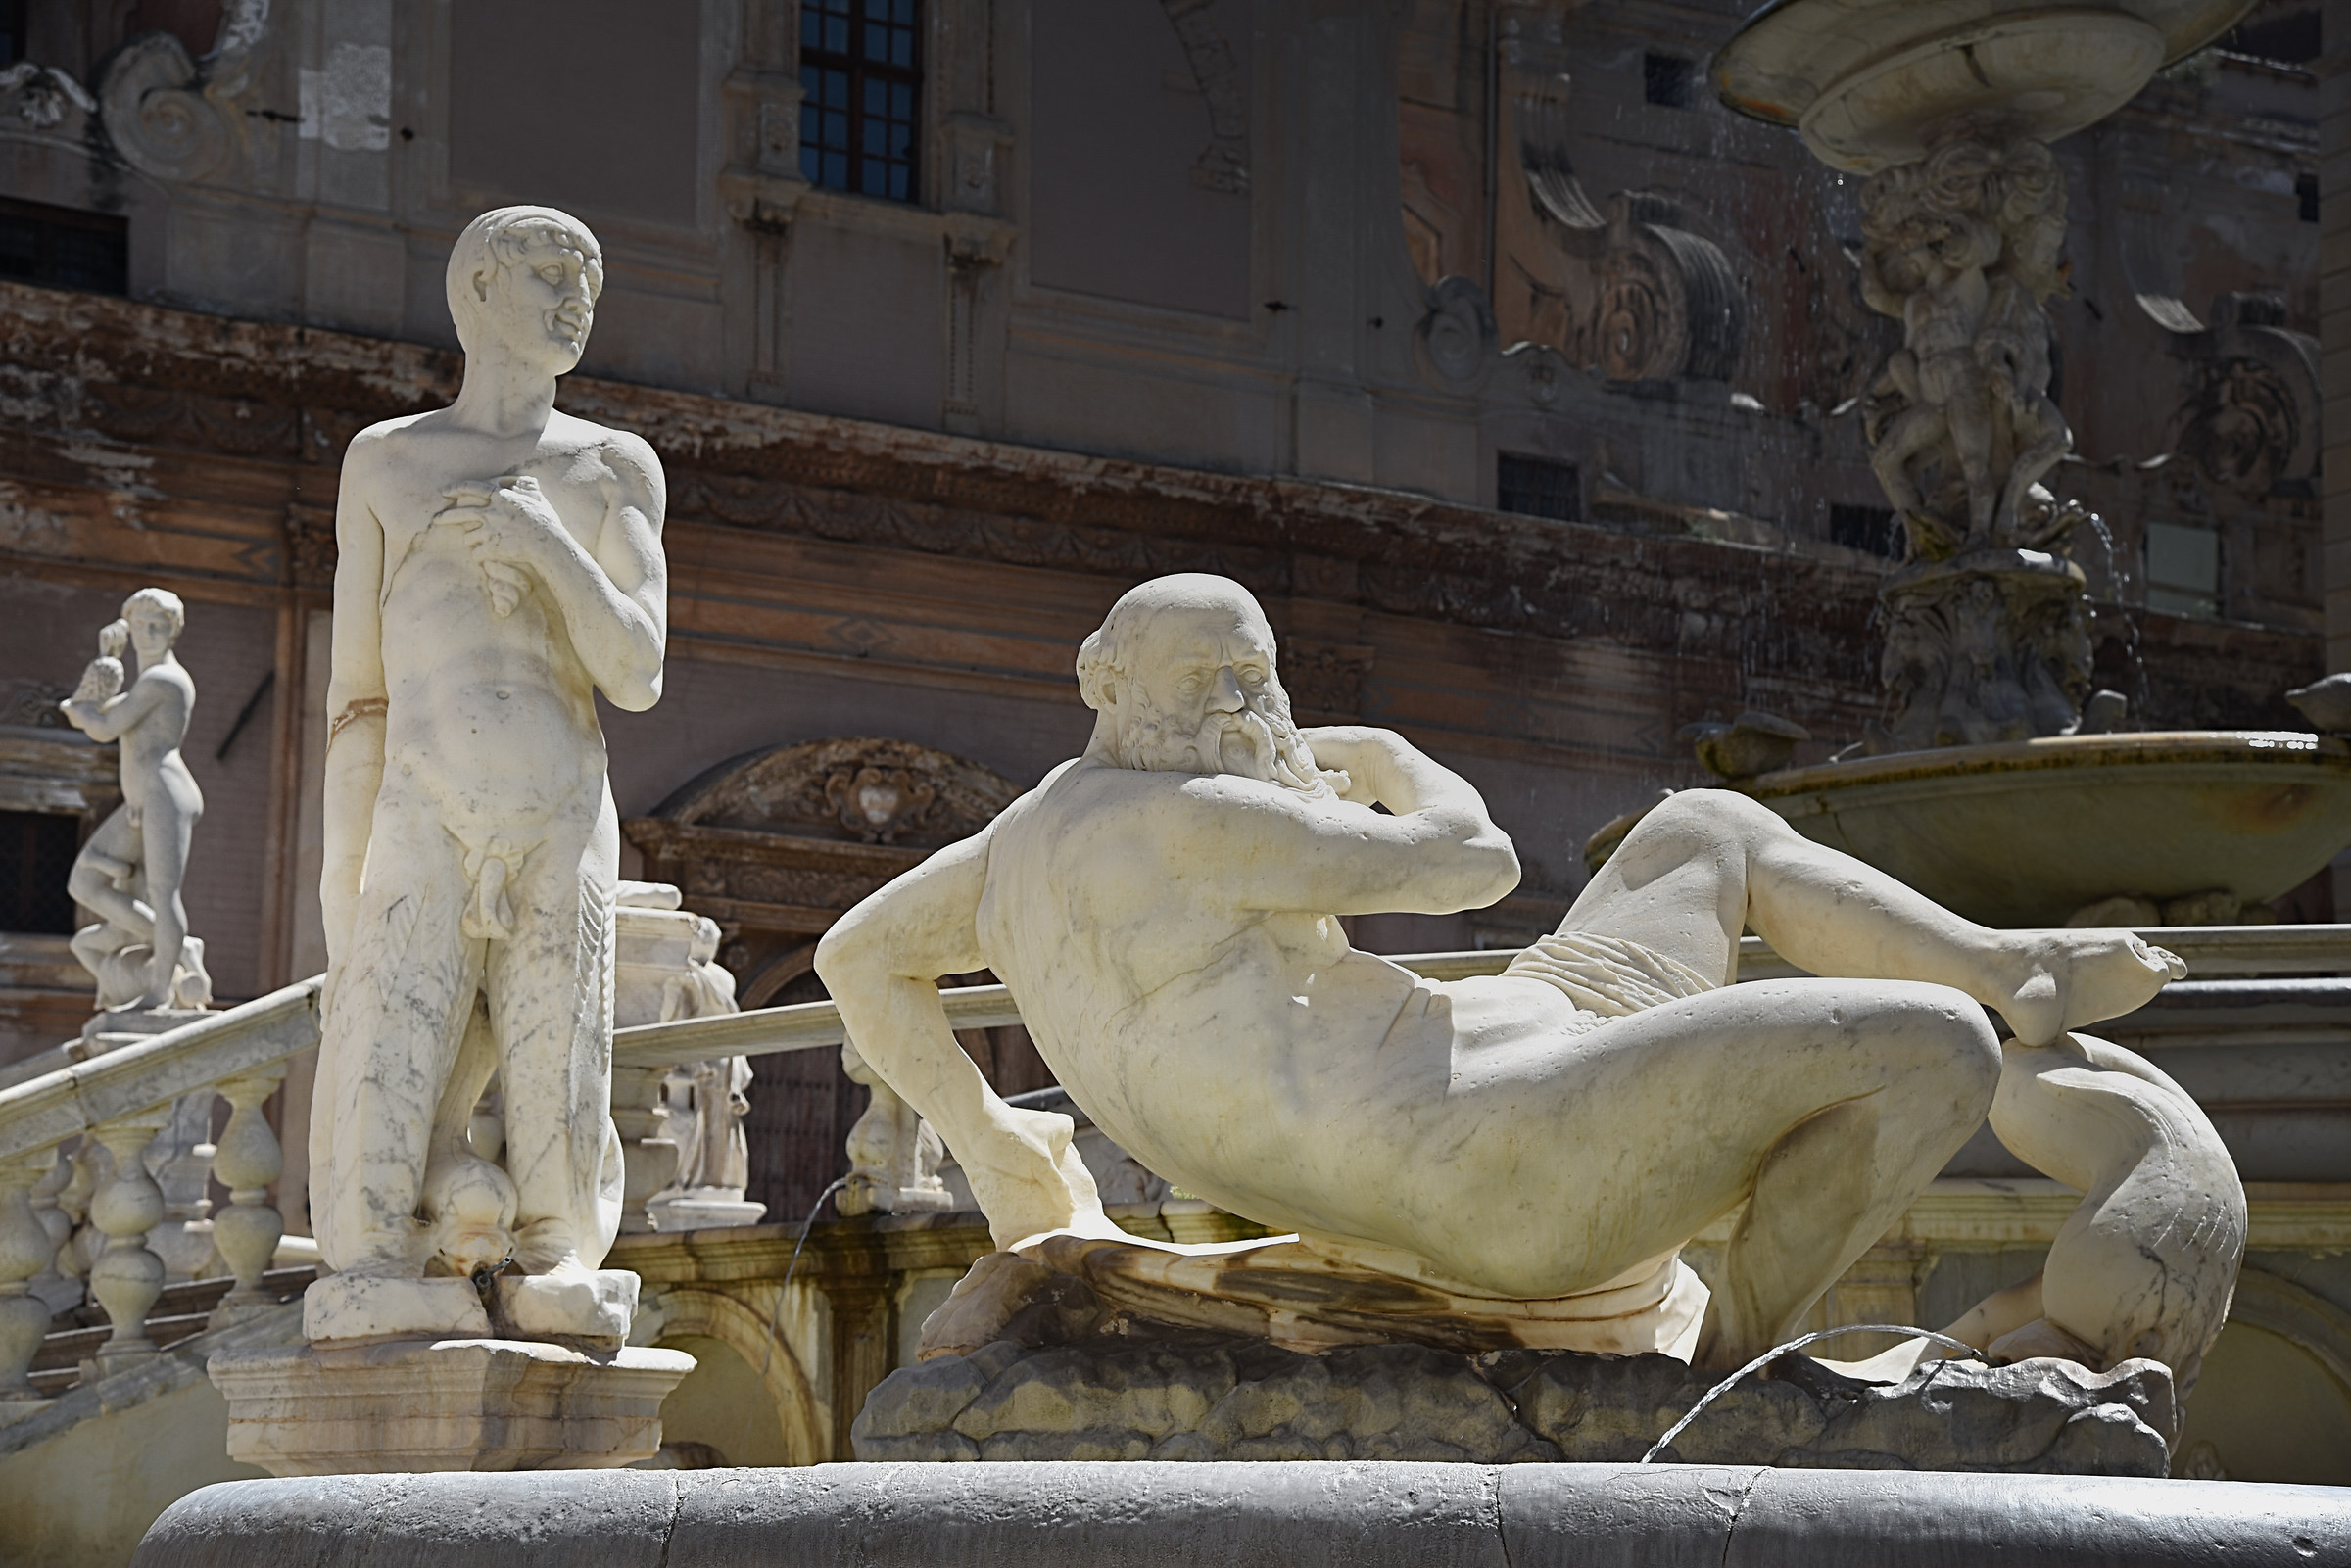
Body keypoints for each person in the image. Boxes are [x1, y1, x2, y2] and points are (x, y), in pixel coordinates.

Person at [816, 573, 2182, 1369]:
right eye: (1227, 686)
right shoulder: (1209, 820)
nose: (1252, 711)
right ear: (1116, 686)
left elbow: (855, 957)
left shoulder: (1024, 839)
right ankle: (1723, 1371)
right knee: (1935, 1048)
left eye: (1258, 679)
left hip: (1500, 1051)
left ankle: (2016, 959)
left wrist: (990, 1139)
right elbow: (1476, 859)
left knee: (1701, 826)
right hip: (1502, 1153)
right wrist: (1383, 752)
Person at [310, 206, 666, 1321]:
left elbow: (639, 668)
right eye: (552, 273)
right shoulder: (389, 462)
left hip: (560, 803)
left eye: (589, 282)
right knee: (390, 1040)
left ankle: (559, 1258)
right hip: (422, 801)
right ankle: (370, 1267)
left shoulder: (612, 469)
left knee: (563, 1055)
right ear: (475, 291)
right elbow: (357, 694)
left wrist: (545, 544)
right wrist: (339, 873)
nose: (576, 298)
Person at [61, 588, 208, 1012]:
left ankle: (159, 990)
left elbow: (106, 726)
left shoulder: (164, 680)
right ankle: (181, 950)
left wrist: (80, 708)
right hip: (142, 800)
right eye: (140, 625)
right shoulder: (145, 680)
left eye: (157, 626)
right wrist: (105, 661)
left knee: (163, 894)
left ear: (173, 632)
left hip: (165, 792)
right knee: (83, 882)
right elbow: (106, 710)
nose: (147, 634)